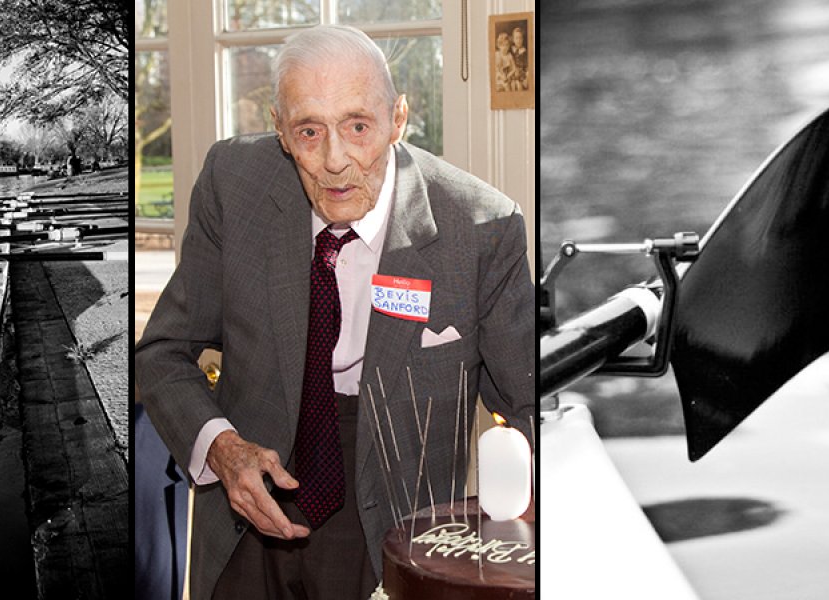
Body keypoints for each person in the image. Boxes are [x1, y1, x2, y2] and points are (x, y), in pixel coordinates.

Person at [133, 24, 535, 600]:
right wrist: (222, 449)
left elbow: (531, 411)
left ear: (398, 119)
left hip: (394, 507)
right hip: (250, 477)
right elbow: (162, 355)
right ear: (279, 130)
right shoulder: (233, 182)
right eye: (308, 132)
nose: (335, 161)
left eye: (357, 127)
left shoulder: (482, 229)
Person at [511, 26, 529, 90]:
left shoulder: (524, 52)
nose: (518, 40)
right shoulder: (511, 50)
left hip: (521, 73)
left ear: (523, 39)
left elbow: (526, 66)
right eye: (516, 38)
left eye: (520, 38)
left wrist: (526, 75)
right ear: (513, 39)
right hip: (512, 72)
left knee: (520, 85)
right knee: (513, 84)